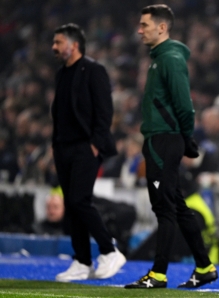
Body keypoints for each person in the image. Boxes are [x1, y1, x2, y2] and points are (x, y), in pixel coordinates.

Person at [125, 4, 218, 289]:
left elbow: (184, 105)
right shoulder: (159, 58)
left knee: (164, 207)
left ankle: (158, 274)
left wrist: (184, 137)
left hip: (165, 138)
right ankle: (204, 266)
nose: (140, 30)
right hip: (161, 138)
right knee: (175, 205)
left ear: (162, 27)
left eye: (145, 25)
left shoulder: (170, 58)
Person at [51, 23, 126, 282]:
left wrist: (95, 142)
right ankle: (82, 261)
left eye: (58, 42)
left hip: (86, 146)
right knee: (72, 205)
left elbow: (105, 110)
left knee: (79, 200)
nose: (54, 47)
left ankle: (109, 250)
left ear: (73, 45)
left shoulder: (94, 70)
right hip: (63, 147)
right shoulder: (62, 73)